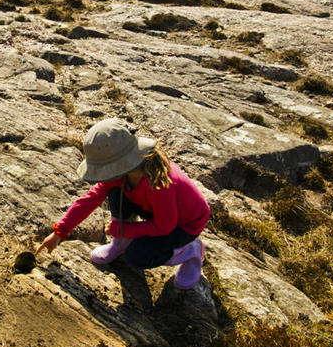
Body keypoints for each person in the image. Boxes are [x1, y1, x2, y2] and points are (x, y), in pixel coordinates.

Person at [35, 118, 210, 290]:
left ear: (120, 163)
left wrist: (126, 229)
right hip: (156, 211)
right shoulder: (127, 172)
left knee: (137, 258)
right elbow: (92, 197)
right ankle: (121, 243)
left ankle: (189, 251)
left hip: (183, 225)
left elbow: (165, 226)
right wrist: (60, 232)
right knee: (115, 190)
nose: (104, 174)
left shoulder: (160, 184)